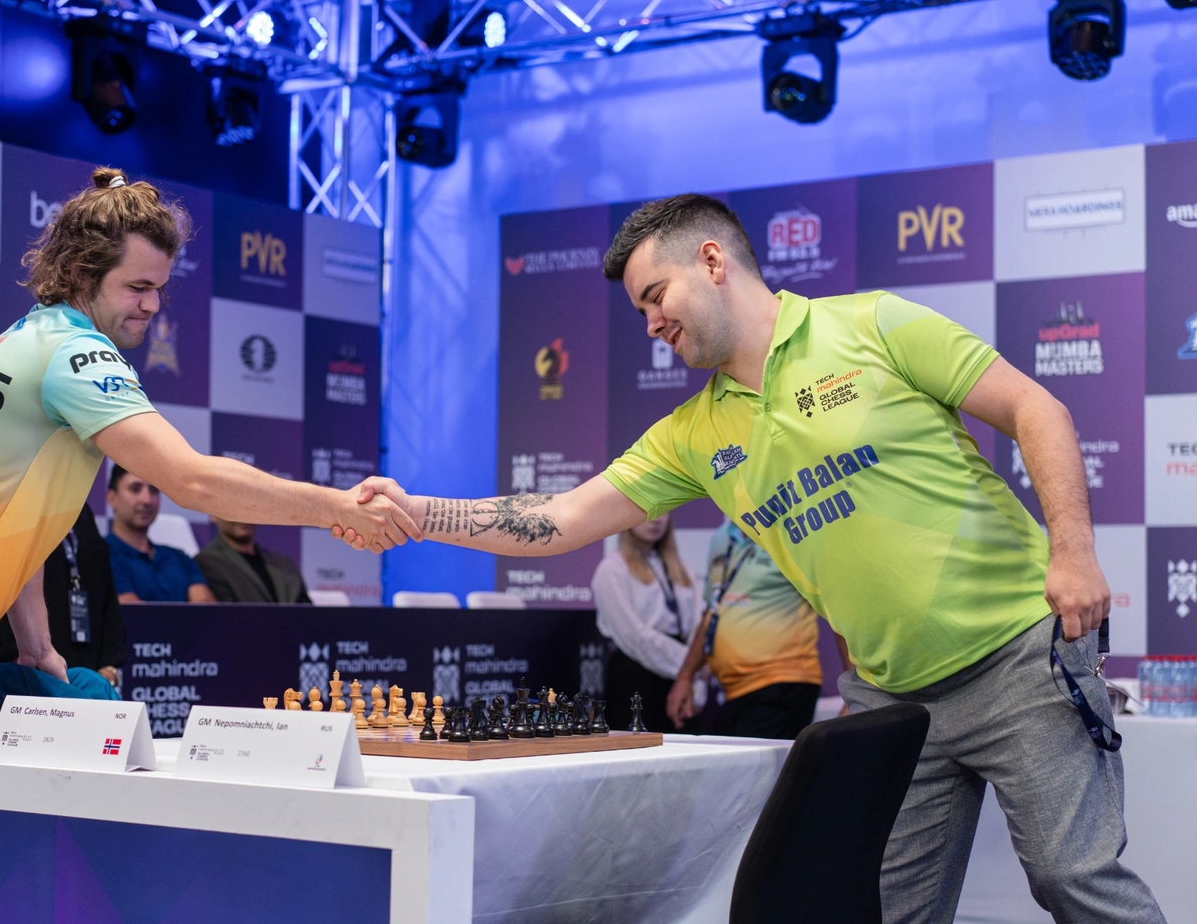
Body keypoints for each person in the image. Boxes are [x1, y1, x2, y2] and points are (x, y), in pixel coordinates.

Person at [345, 193, 1164, 924]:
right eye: (639, 311)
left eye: (654, 296)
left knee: (1072, 878)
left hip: (1016, 658)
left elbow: (1034, 407)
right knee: (885, 912)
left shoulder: (871, 324)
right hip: (890, 699)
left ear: (711, 261)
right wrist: (421, 514)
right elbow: (560, 519)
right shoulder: (691, 434)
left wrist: (1073, 553)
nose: (650, 324)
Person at [0, 166, 417, 924]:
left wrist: (37, 646)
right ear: (84, 275)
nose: (153, 306)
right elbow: (193, 479)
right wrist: (336, 507)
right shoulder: (76, 355)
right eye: (138, 287)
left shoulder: (29, 338)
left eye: (161, 289)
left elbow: (18, 524)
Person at [666, 519, 827, 740]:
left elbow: (837, 608)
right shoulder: (721, 537)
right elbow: (713, 611)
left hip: (782, 682)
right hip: (735, 690)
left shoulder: (794, 531)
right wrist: (685, 676)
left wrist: (853, 694)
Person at [0, 503, 126, 687]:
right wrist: (22, 657)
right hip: (19, 668)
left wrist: (108, 669)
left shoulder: (79, 507)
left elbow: (104, 584)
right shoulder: (14, 502)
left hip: (82, 664)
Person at [590, 512, 700, 734]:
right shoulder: (612, 569)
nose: (656, 519)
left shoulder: (680, 568)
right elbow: (634, 636)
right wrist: (688, 667)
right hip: (636, 674)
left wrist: (693, 675)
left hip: (679, 675)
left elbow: (698, 622)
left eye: (663, 511)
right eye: (647, 511)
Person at [105, 464, 214, 603]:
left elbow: (207, 610)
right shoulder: (99, 556)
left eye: (154, 490)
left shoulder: (180, 557)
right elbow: (130, 613)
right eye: (135, 489)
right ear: (112, 498)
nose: (147, 500)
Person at [197, 516, 311, 604]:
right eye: (233, 508)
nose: (242, 516)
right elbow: (225, 617)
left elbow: (307, 612)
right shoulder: (205, 563)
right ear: (213, 514)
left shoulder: (284, 563)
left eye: (249, 507)